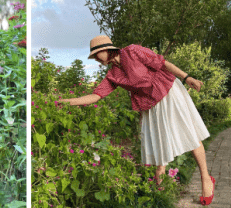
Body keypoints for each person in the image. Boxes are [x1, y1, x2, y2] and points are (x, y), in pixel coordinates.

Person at [59, 35, 215, 205]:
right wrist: (65, 102)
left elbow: (162, 63)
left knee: (189, 133)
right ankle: (160, 192)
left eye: (97, 53)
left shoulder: (133, 51)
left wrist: (187, 78)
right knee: (159, 143)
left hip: (168, 91)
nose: (96, 58)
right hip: (149, 104)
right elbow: (95, 96)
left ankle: (205, 178)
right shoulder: (113, 74)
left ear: (107, 49)